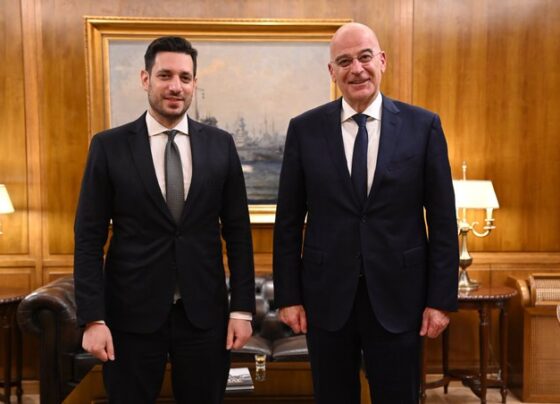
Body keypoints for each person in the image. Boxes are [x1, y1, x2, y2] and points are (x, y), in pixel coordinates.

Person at [273, 22, 459, 403]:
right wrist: (288, 296)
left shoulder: (423, 126)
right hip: (326, 300)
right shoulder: (304, 130)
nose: (356, 69)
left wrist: (440, 300)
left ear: (382, 61)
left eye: (364, 57)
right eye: (344, 61)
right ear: (332, 72)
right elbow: (288, 222)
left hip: (400, 299)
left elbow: (443, 221)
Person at [74, 36, 255, 404]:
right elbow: (88, 239)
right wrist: (94, 319)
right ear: (145, 79)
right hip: (130, 318)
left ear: (194, 83)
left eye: (185, 78)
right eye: (165, 75)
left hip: (204, 317)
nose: (176, 86)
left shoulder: (221, 144)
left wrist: (241, 309)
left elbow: (238, 233)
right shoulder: (108, 146)